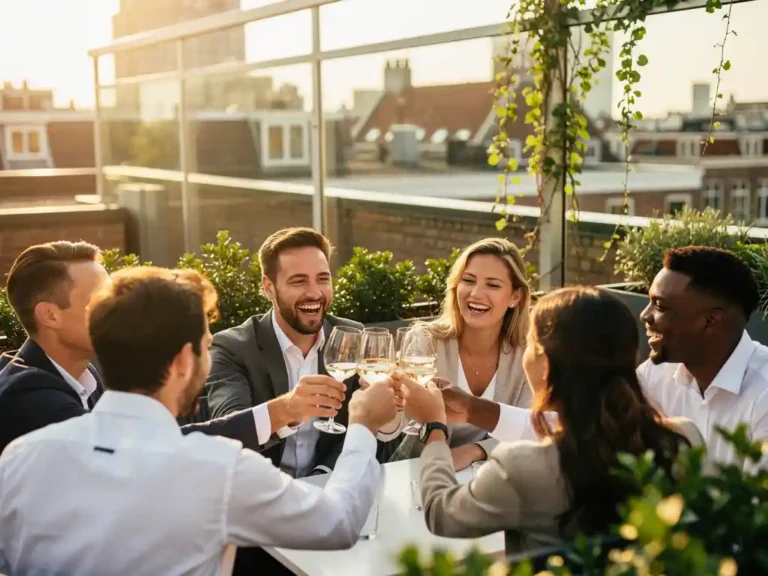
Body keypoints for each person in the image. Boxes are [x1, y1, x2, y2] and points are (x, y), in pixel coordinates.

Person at [0, 266, 397, 575]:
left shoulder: (21, 458)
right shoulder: (218, 468)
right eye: (208, 346)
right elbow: (338, 524)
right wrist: (362, 425)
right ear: (182, 361)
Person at [397, 286, 702, 554]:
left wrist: (435, 427)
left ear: (544, 364)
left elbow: (442, 515)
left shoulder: (521, 466)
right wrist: (473, 409)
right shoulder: (684, 438)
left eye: (529, 344)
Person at [418, 247, 768, 472]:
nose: (644, 315)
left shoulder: (763, 393)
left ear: (711, 321)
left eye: (661, 306)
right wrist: (471, 407)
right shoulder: (655, 375)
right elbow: (578, 427)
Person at [0, 241, 261, 455]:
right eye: (99, 301)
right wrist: (272, 415)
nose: (115, 309)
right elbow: (143, 449)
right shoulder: (30, 398)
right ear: (50, 316)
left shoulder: (88, 374)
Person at [206, 227, 402, 477]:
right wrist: (288, 408)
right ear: (268, 287)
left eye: (323, 279)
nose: (314, 293)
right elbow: (229, 433)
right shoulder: (233, 347)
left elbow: (367, 434)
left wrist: (388, 408)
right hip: (261, 494)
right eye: (299, 281)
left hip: (329, 486)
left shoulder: (352, 337)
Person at [391, 238, 532, 471]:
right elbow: (400, 425)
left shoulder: (528, 354)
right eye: (468, 280)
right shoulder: (424, 340)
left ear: (515, 297)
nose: (476, 294)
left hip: (497, 474)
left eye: (493, 285)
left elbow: (531, 431)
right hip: (418, 470)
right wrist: (389, 404)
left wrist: (475, 451)